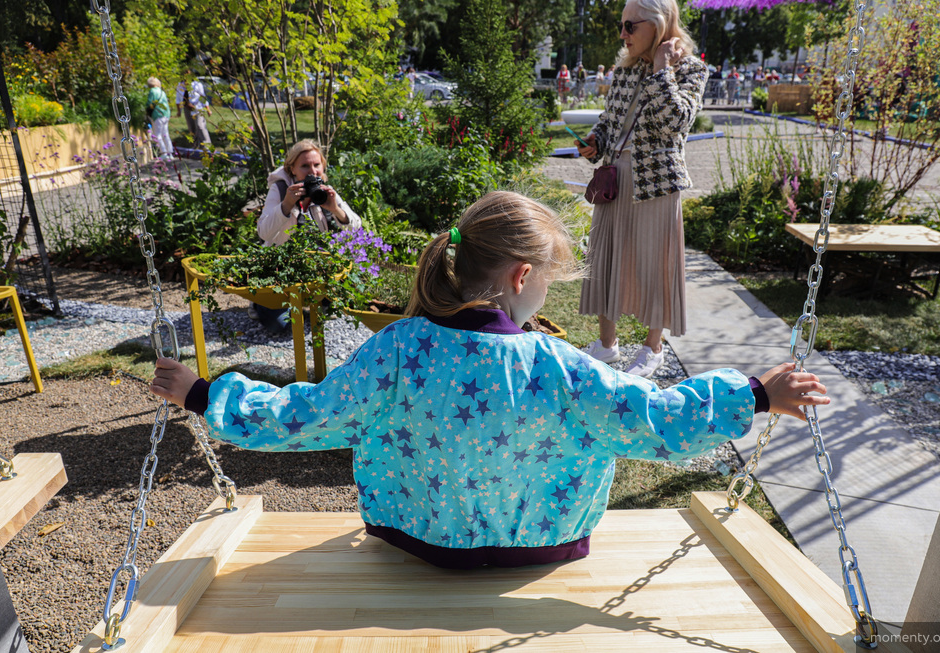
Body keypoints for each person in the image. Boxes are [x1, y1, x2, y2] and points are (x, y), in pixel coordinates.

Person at [151, 190, 830, 570]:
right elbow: (655, 419)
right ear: (522, 278)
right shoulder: (560, 369)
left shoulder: (398, 350)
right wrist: (755, 394)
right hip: (544, 545)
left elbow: (304, 415)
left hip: (418, 538)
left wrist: (206, 391)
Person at [575, 0, 708, 378]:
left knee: (655, 267)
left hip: (657, 182)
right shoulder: (624, 69)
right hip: (615, 176)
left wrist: (662, 69)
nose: (623, 34)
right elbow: (610, 123)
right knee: (605, 258)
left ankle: (653, 349)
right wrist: (594, 142)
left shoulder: (690, 69)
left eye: (630, 26)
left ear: (659, 24)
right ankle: (607, 344)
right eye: (622, 26)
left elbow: (675, 122)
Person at [253, 139, 362, 333]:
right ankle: (261, 303)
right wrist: (286, 205)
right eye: (305, 166)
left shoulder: (324, 191)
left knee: (339, 307)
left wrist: (335, 209)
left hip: (314, 268)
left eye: (316, 165)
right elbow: (263, 232)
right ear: (292, 169)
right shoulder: (279, 190)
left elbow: (355, 228)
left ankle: (311, 301)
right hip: (279, 269)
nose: (312, 171)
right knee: (282, 326)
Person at [176, 71, 212, 149]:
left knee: (200, 126)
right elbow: (178, 99)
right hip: (187, 108)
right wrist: (179, 111)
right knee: (191, 128)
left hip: (198, 108)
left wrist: (208, 109)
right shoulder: (180, 86)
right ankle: (195, 146)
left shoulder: (197, 85)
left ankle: (207, 145)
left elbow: (203, 97)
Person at [145, 77, 174, 161]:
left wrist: (147, 111)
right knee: (165, 133)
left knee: (157, 134)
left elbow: (150, 103)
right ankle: (170, 152)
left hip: (157, 114)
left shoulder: (152, 91)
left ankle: (163, 152)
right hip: (166, 114)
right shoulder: (162, 91)